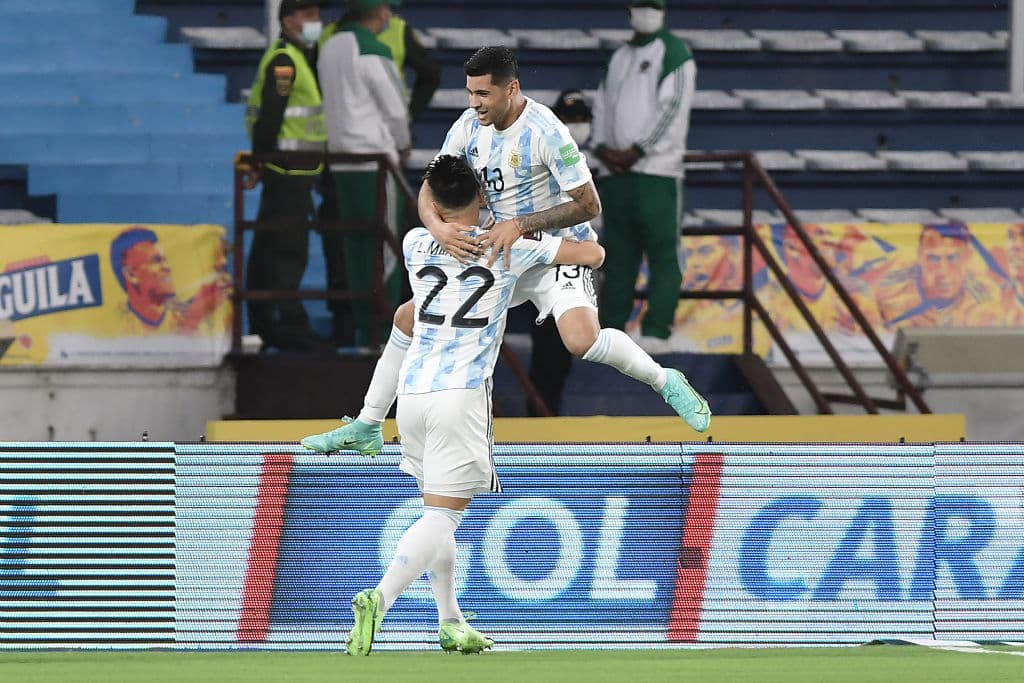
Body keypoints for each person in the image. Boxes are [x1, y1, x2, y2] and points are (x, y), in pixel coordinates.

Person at [301, 46, 710, 459]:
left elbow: (590, 206)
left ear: (511, 89)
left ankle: (664, 380)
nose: (474, 104)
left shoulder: (547, 132)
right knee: (409, 316)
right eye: (470, 93)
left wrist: (522, 224)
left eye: (483, 94)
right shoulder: (467, 127)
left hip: (553, 250)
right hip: (499, 246)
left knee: (580, 341)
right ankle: (367, 424)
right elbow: (431, 185)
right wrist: (439, 228)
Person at [343, 155, 606, 655]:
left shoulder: (416, 242)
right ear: (483, 198)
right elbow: (592, 255)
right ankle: (380, 598)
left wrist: (441, 225)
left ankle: (451, 620)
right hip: (460, 397)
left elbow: (432, 232)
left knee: (433, 507)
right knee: (444, 518)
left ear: (434, 206)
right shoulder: (510, 249)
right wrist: (533, 234)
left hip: (413, 394)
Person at [592, 0, 696, 355]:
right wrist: (602, 147)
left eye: (652, 5)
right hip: (616, 175)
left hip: (657, 172)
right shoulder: (618, 56)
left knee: (663, 252)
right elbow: (602, 104)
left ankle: (657, 330)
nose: (645, 11)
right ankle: (612, 332)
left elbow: (674, 108)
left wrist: (639, 149)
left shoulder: (675, 52)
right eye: (639, 4)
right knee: (618, 257)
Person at [318, 0, 412, 346]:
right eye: (387, 8)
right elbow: (395, 108)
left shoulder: (328, 46)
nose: (389, 15)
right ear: (377, 12)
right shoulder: (372, 48)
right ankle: (387, 335)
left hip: (342, 159)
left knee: (355, 248)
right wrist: (403, 144)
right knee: (384, 251)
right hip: (375, 161)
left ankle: (364, 332)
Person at [244, 0, 329, 352]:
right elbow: (271, 116)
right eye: (308, 15)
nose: (316, 21)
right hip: (288, 168)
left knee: (270, 245)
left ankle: (267, 321)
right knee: (287, 250)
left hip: (294, 168)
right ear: (288, 20)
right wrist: (260, 161)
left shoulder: (296, 56)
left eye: (317, 14)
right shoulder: (285, 61)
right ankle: (289, 327)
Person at [526, 90, 594, 416]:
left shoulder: (594, 166)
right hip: (543, 261)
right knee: (548, 351)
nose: (576, 126)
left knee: (563, 351)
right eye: (569, 120)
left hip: (573, 264)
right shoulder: (539, 159)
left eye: (581, 119)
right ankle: (540, 419)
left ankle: (547, 418)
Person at [109, 227, 231, 335]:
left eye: (165, 260)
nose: (166, 267)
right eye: (156, 261)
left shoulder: (188, 319)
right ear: (131, 275)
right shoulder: (115, 328)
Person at [875, 223, 998, 328]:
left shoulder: (987, 298)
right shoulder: (890, 290)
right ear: (919, 257)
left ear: (968, 257)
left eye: (953, 258)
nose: (943, 271)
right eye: (933, 258)